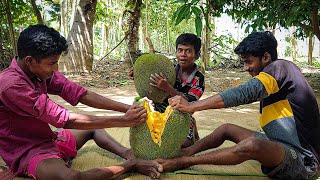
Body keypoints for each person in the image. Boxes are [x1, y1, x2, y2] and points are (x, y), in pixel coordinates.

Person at [0, 24, 162, 180]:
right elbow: (64, 119)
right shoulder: (11, 85)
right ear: (29, 61)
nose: (55, 69)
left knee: (93, 129)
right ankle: (130, 165)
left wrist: (128, 109)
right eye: (51, 63)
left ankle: (127, 153)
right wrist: (123, 121)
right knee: (70, 177)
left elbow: (81, 94)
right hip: (27, 150)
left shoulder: (38, 72)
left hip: (49, 139)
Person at [157, 31, 320, 179]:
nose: (246, 68)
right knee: (226, 128)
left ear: (266, 57)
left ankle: (183, 161)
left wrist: (192, 106)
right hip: (278, 144)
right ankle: (186, 152)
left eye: (249, 62)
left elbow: (245, 93)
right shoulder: (274, 78)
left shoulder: (280, 67)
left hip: (303, 159)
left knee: (252, 145)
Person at [149, 33, 205, 148]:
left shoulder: (198, 79)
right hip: (159, 111)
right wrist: (137, 74)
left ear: (197, 55)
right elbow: (149, 77)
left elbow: (188, 104)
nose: (183, 55)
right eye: (180, 50)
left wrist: (168, 88)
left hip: (181, 116)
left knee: (183, 145)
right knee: (151, 141)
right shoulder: (167, 69)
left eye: (188, 51)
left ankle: (191, 128)